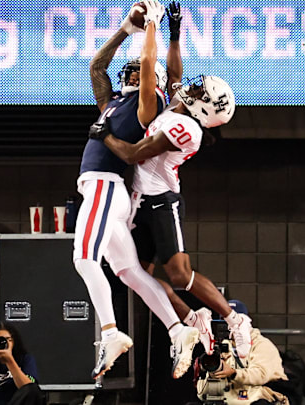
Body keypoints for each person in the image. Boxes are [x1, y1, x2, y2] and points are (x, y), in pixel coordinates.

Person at [88, 3, 252, 359]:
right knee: (137, 274)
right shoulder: (179, 106)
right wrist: (175, 33)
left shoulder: (186, 128)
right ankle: (191, 317)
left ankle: (234, 318)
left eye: (198, 93)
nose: (189, 89)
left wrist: (104, 137)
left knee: (179, 274)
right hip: (140, 199)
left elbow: (134, 155)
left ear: (204, 110)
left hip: (161, 201)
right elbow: (175, 75)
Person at [74, 0, 199, 380]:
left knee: (83, 259)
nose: (130, 74)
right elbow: (97, 66)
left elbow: (149, 67)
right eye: (126, 71)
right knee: (129, 272)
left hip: (104, 186)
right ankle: (179, 330)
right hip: (106, 192)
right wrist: (127, 28)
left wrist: (152, 29)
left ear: (155, 84)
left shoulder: (150, 106)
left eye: (137, 72)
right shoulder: (112, 103)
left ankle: (110, 333)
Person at [196, 301, 289, 405]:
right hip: (229, 399)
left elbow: (261, 375)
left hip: (260, 398)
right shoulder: (223, 346)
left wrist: (233, 373)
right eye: (225, 322)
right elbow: (202, 394)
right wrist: (211, 370)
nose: (229, 326)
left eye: (233, 322)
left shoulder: (262, 344)